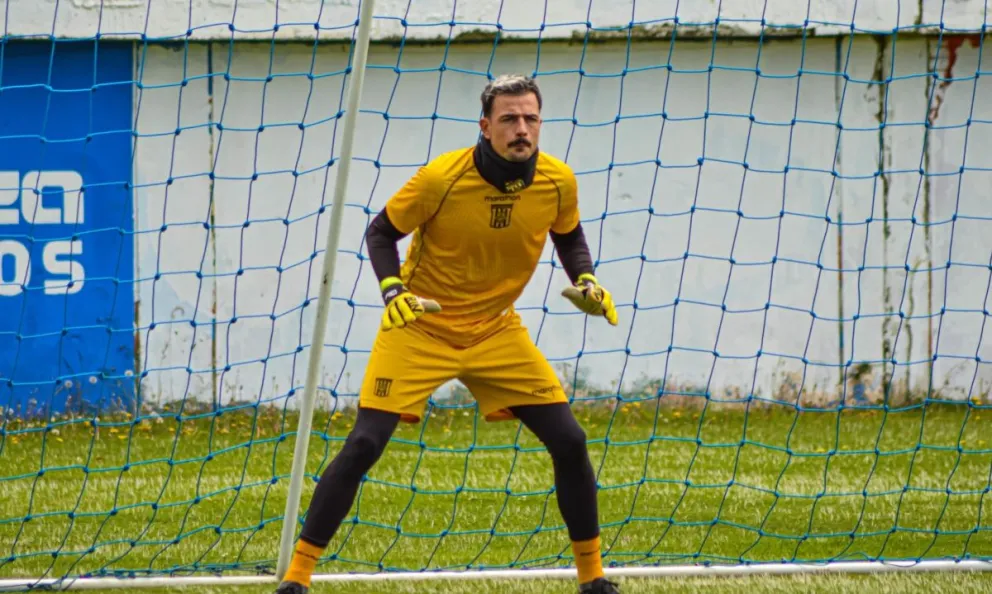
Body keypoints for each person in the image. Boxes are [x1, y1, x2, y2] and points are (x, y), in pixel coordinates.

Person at [275, 74, 620, 594]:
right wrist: (394, 292)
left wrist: (587, 279)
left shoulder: (558, 180)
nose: (521, 129)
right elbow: (381, 232)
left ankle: (593, 579)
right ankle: (297, 578)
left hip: (496, 330)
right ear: (485, 126)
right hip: (420, 327)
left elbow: (568, 235)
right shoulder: (441, 178)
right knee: (365, 442)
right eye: (508, 119)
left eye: (530, 118)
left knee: (570, 441)